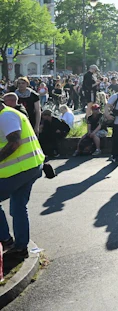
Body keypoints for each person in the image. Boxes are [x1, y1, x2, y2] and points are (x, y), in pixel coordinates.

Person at [0, 95, 45, 260]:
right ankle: (20, 247)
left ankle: (5, 239)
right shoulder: (8, 115)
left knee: (18, 206)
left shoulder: (6, 116)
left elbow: (15, 142)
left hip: (19, 170)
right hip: (29, 167)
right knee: (18, 207)